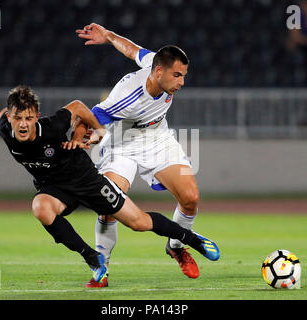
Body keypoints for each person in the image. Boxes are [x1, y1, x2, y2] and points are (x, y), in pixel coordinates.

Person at [0, 85, 220, 286]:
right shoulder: (4, 123)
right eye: (17, 118)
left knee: (138, 222)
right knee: (40, 207)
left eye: (29, 118)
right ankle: (93, 259)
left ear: (36, 116)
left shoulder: (53, 126)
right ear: (9, 116)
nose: (23, 124)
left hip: (86, 179)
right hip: (55, 188)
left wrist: (98, 130)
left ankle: (191, 238)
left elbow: (78, 106)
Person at [75, 23, 202, 287]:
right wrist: (85, 136)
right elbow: (95, 115)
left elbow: (132, 49)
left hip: (158, 139)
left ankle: (176, 245)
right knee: (108, 206)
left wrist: (109, 36)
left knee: (190, 199)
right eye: (177, 75)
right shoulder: (129, 95)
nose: (182, 82)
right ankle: (102, 269)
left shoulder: (154, 62)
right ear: (159, 72)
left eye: (184, 75)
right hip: (123, 145)